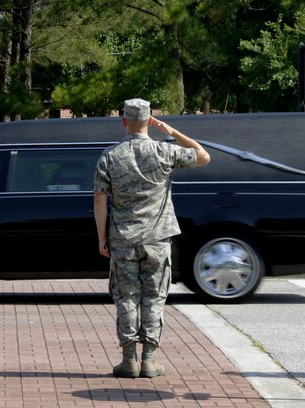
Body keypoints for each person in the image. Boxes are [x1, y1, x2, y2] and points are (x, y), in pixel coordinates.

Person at [93, 98, 210, 379]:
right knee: (154, 297)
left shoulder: (110, 156)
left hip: (123, 238)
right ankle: (149, 359)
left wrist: (101, 239)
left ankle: (128, 359)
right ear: (149, 121)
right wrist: (170, 130)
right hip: (157, 238)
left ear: (123, 121)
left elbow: (99, 200)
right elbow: (203, 156)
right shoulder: (164, 151)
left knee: (126, 297)